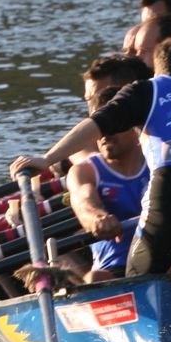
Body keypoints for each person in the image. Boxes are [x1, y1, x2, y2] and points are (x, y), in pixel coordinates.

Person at [10, 36, 171, 276]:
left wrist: (47, 159)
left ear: (157, 70)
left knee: (140, 276)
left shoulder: (149, 89)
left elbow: (97, 123)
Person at [64, 86, 150, 283]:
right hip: (115, 268)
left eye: (113, 124)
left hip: (164, 262)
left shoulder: (157, 161)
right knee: (95, 278)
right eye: (99, 126)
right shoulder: (85, 171)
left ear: (135, 125)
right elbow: (84, 201)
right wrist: (97, 217)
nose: (105, 134)